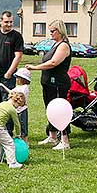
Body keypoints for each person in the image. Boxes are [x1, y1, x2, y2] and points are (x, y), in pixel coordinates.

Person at [26, 20, 71, 150]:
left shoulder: (63, 46)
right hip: (48, 83)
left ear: (60, 31)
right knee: (50, 110)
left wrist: (35, 67)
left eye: (52, 31)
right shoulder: (55, 44)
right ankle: (52, 136)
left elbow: (53, 63)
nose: (50, 34)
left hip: (58, 83)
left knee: (60, 111)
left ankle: (65, 140)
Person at [0, 11, 24, 113]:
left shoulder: (16, 36)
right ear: (1, 21)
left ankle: (8, 129)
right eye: (6, 22)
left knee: (8, 106)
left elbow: (18, 56)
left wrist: (8, 73)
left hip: (7, 78)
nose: (9, 24)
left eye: (11, 22)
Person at [0, 91, 25, 169]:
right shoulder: (12, 109)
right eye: (18, 106)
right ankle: (12, 163)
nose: (17, 108)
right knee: (10, 144)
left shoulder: (1, 104)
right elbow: (17, 124)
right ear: (16, 101)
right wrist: (18, 135)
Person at [0, 67, 31, 143]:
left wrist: (13, 96)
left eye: (18, 78)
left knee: (23, 127)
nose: (16, 79)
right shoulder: (18, 87)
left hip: (22, 111)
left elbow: (19, 95)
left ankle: (25, 142)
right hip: (15, 110)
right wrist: (2, 86)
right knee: (17, 124)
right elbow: (11, 92)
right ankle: (19, 139)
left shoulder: (25, 88)